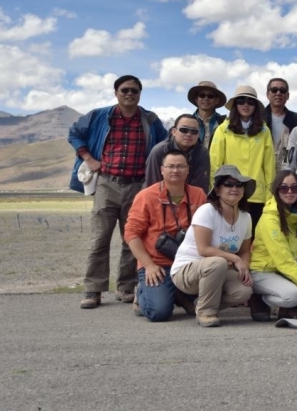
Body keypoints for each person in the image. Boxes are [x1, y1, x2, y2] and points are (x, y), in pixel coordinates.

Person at [68, 74, 168, 309]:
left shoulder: (150, 119)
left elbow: (164, 144)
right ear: (116, 93)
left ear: (140, 94)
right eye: (125, 90)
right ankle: (93, 290)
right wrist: (89, 158)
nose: (129, 94)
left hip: (138, 186)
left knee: (132, 238)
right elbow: (74, 134)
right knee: (99, 239)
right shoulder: (99, 116)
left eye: (134, 90)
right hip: (107, 184)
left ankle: (125, 287)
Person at [124, 150, 207, 321]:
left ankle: (178, 293)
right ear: (162, 170)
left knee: (213, 295)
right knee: (159, 313)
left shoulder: (198, 194)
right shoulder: (146, 196)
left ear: (188, 169)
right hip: (158, 264)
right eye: (171, 166)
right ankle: (142, 292)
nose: (175, 170)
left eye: (180, 166)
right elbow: (131, 234)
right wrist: (148, 266)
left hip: (188, 263)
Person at [171, 165, 255, 327]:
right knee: (218, 262)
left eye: (239, 185)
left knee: (244, 291)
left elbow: (245, 251)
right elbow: (203, 249)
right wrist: (235, 259)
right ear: (217, 190)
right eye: (228, 184)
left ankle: (200, 304)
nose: (234, 188)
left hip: (219, 270)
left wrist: (244, 266)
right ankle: (206, 312)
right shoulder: (207, 211)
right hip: (187, 271)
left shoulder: (246, 217)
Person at [249, 171, 297, 321]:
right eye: (284, 188)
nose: (289, 192)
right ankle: (260, 298)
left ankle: (286, 309)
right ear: (276, 190)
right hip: (262, 271)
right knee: (294, 296)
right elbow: (283, 260)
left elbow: (293, 251)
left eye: (294, 188)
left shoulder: (295, 214)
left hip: (280, 270)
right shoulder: (270, 219)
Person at [209, 86, 275, 230]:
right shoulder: (223, 130)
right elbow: (215, 164)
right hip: (229, 193)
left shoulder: (264, 131)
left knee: (254, 238)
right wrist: (215, 192)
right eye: (241, 101)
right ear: (235, 105)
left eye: (250, 102)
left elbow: (269, 166)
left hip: (257, 196)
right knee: (228, 236)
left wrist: (270, 199)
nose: (246, 105)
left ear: (255, 106)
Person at [144, 114, 210, 190]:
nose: (189, 134)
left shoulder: (202, 153)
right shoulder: (159, 151)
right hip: (160, 194)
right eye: (184, 130)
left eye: (194, 131)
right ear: (174, 131)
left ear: (198, 134)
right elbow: (152, 183)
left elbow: (201, 185)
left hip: (190, 195)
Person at [263, 78, 297, 170]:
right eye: (274, 90)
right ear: (267, 94)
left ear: (287, 95)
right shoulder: (257, 118)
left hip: (288, 172)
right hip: (262, 170)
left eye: (282, 90)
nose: (278, 93)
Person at [188, 81, 227, 149]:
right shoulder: (186, 122)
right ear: (196, 99)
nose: (206, 98)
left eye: (210, 96)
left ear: (216, 100)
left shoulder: (225, 123)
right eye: (202, 95)